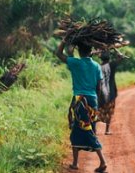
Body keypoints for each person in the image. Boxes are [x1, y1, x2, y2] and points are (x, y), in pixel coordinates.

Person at [56, 39, 107, 172]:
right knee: (86, 130)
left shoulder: (75, 63)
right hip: (92, 101)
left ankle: (102, 162)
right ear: (91, 51)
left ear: (80, 51)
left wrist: (64, 41)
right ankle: (75, 163)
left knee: (80, 131)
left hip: (79, 100)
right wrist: (97, 102)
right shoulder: (96, 66)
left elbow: (58, 54)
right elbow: (99, 87)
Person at [97, 51, 122, 135]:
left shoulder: (97, 67)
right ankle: (107, 130)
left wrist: (93, 53)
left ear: (100, 58)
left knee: (98, 110)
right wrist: (116, 52)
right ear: (109, 58)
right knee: (109, 111)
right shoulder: (112, 65)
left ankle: (94, 130)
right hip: (111, 92)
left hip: (100, 93)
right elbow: (120, 57)